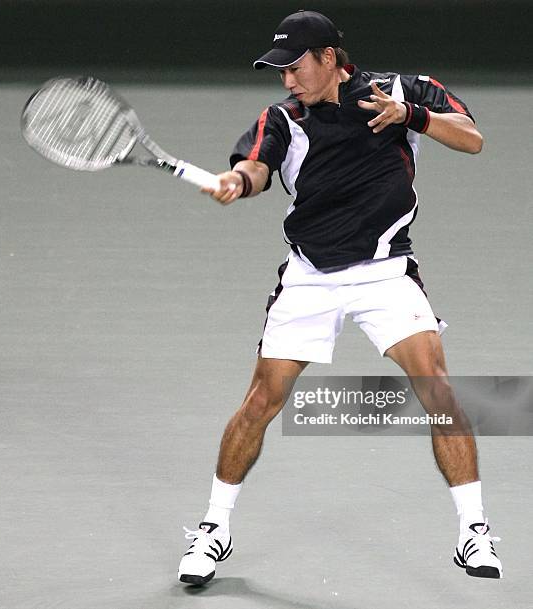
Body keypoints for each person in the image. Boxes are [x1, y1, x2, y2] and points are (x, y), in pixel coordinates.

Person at [177, 9, 502, 585]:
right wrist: (240, 181)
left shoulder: (403, 90)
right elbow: (255, 166)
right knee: (261, 401)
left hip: (385, 271)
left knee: (438, 388)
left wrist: (411, 116)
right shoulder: (283, 118)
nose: (287, 80)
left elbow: (472, 139)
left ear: (330, 58)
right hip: (311, 276)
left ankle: (473, 530)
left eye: (295, 67)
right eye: (279, 71)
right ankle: (214, 529)